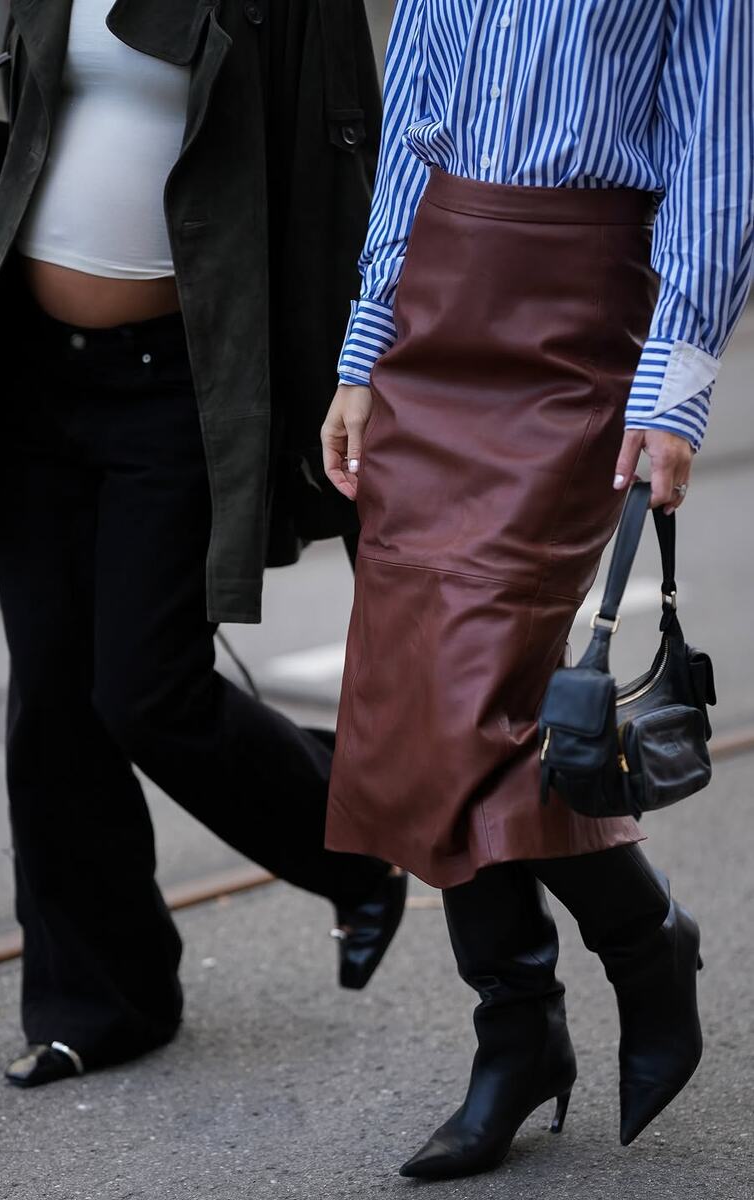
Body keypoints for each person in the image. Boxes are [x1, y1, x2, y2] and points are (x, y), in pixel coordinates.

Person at [0, 0, 407, 1089]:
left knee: (148, 691)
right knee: (51, 702)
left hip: (184, 380)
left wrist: (357, 371)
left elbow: (341, 170)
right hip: (37, 371)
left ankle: (356, 844)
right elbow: (34, 123)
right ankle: (105, 999)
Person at [321, 0, 752, 1180]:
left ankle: (634, 948)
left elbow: (718, 152)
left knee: (476, 691)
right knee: (423, 696)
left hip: (582, 315)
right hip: (437, 298)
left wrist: (675, 386)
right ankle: (526, 1024)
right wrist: (366, 345)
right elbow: (412, 125)